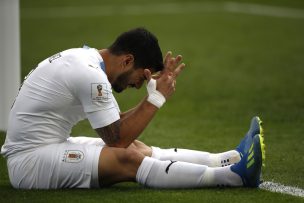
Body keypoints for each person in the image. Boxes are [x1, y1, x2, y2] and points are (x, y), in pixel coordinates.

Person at [1, 27, 265, 189]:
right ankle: (234, 177)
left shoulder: (86, 60)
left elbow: (116, 129)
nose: (138, 85)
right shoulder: (90, 74)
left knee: (135, 146)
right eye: (142, 78)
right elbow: (117, 141)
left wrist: (151, 97)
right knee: (126, 157)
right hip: (29, 162)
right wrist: (156, 99)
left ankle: (226, 158)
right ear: (127, 60)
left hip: (45, 146)